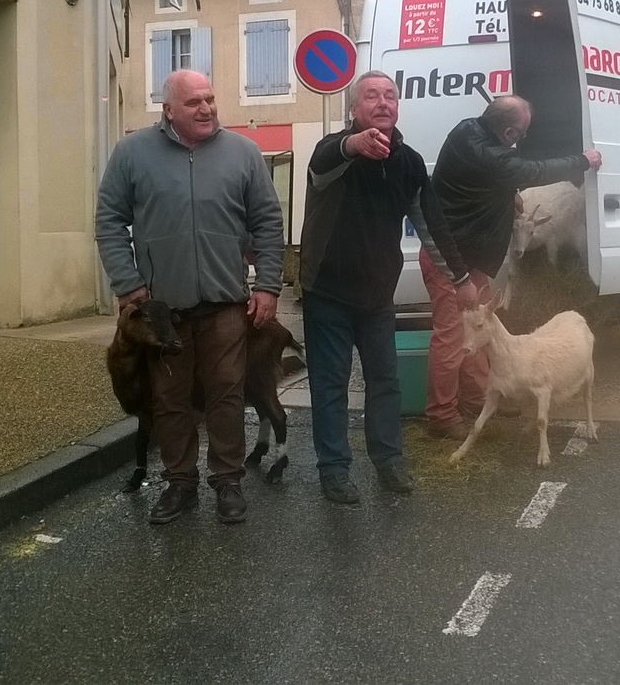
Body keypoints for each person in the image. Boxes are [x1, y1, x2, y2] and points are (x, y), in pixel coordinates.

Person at [96, 69, 284, 526]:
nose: (206, 108)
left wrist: (267, 286)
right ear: (168, 110)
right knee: (170, 399)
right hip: (163, 311)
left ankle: (228, 482)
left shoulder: (244, 153)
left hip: (226, 304)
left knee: (226, 395)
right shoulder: (132, 153)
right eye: (194, 102)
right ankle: (180, 482)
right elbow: (109, 222)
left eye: (211, 98)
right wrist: (130, 286)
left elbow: (268, 222)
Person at [300, 70, 477, 504]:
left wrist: (461, 279)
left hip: (378, 295)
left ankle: (388, 459)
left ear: (398, 107)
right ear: (354, 110)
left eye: (390, 96)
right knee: (329, 385)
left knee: (386, 382)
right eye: (372, 96)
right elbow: (324, 162)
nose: (383, 102)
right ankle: (334, 469)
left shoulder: (410, 163)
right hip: (327, 293)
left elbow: (432, 226)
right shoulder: (333, 151)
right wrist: (354, 145)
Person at [422, 95, 601, 440]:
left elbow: (486, 178)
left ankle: (477, 399)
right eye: (521, 133)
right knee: (452, 338)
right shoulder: (490, 153)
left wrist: (508, 195)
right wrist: (583, 160)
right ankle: (442, 416)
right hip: (452, 260)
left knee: (479, 329)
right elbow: (530, 171)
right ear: (507, 131)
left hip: (468, 258)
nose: (521, 140)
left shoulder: (469, 131)